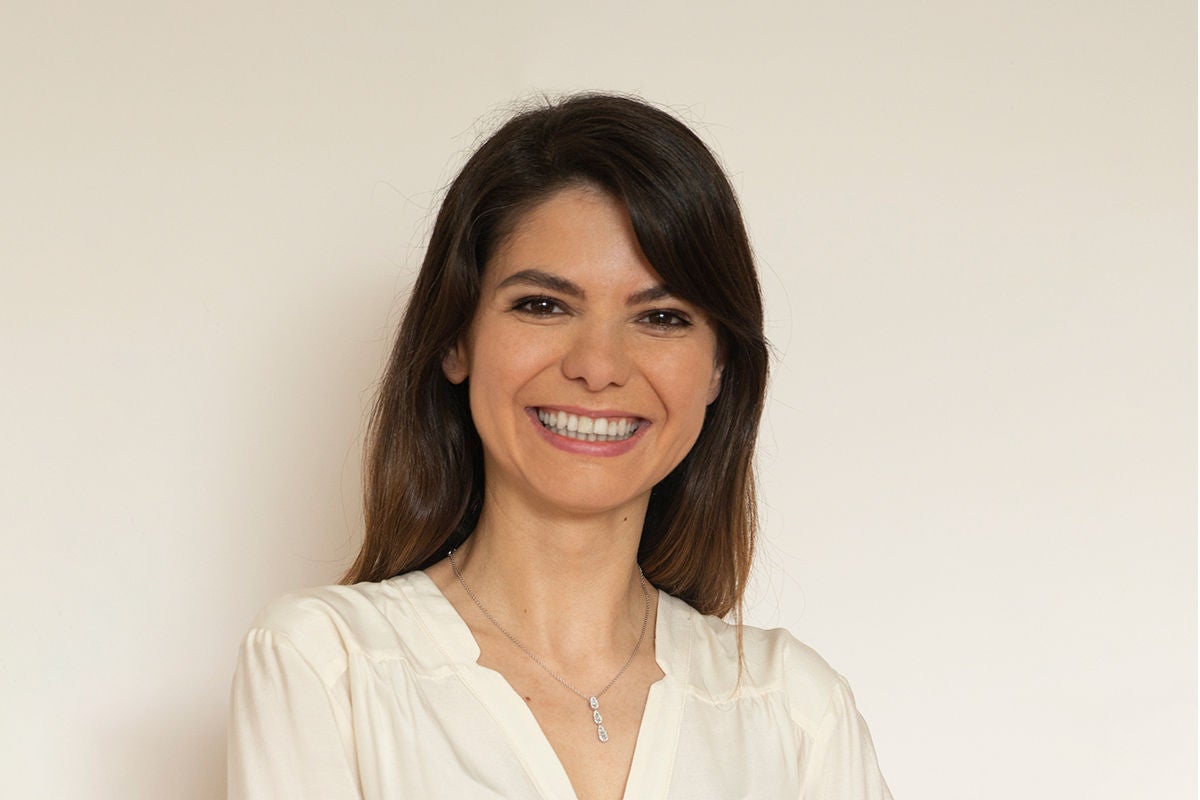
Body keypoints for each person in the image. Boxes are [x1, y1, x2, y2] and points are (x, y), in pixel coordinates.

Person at [228, 93, 893, 800]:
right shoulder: (329, 667)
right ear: (456, 339)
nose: (598, 367)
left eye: (661, 317)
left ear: (719, 368)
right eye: (543, 305)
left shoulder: (794, 711)